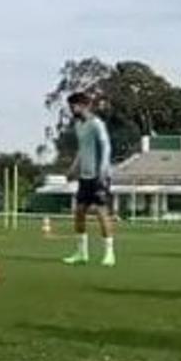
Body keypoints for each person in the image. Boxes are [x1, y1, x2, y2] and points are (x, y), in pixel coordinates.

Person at [61, 92, 117, 267]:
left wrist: (103, 171)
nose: (71, 109)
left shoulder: (96, 124)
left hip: (98, 176)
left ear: (84, 105)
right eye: (70, 106)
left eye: (74, 106)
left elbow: (106, 147)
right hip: (84, 177)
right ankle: (81, 253)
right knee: (79, 212)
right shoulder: (78, 125)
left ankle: (109, 253)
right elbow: (82, 149)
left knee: (101, 213)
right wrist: (73, 167)